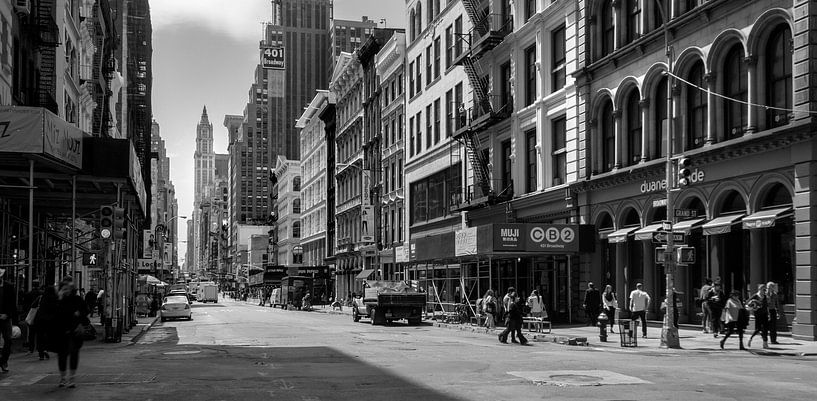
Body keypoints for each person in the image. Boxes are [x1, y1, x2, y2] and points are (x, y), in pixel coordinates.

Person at [47, 278, 90, 388]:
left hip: (75, 331)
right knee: (62, 355)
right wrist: (59, 299)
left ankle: (71, 378)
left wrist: (79, 315)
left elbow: (85, 311)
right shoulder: (57, 300)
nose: (66, 290)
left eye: (68, 288)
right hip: (61, 331)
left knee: (74, 353)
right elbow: (52, 314)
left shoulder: (77, 299)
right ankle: (62, 378)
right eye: (64, 288)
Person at [0, 266, 18, 373]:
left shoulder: (9, 287)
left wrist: (8, 315)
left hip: (6, 318)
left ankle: (4, 361)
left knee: (8, 340)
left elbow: (12, 304)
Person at [746, 283, 770, 349]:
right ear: (759, 289)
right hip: (758, 314)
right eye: (763, 289)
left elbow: (766, 306)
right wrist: (754, 307)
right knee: (758, 329)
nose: (764, 291)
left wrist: (768, 314)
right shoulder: (755, 296)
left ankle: (765, 343)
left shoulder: (765, 296)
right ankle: (750, 339)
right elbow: (748, 303)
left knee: (765, 329)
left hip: (764, 314)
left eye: (765, 290)